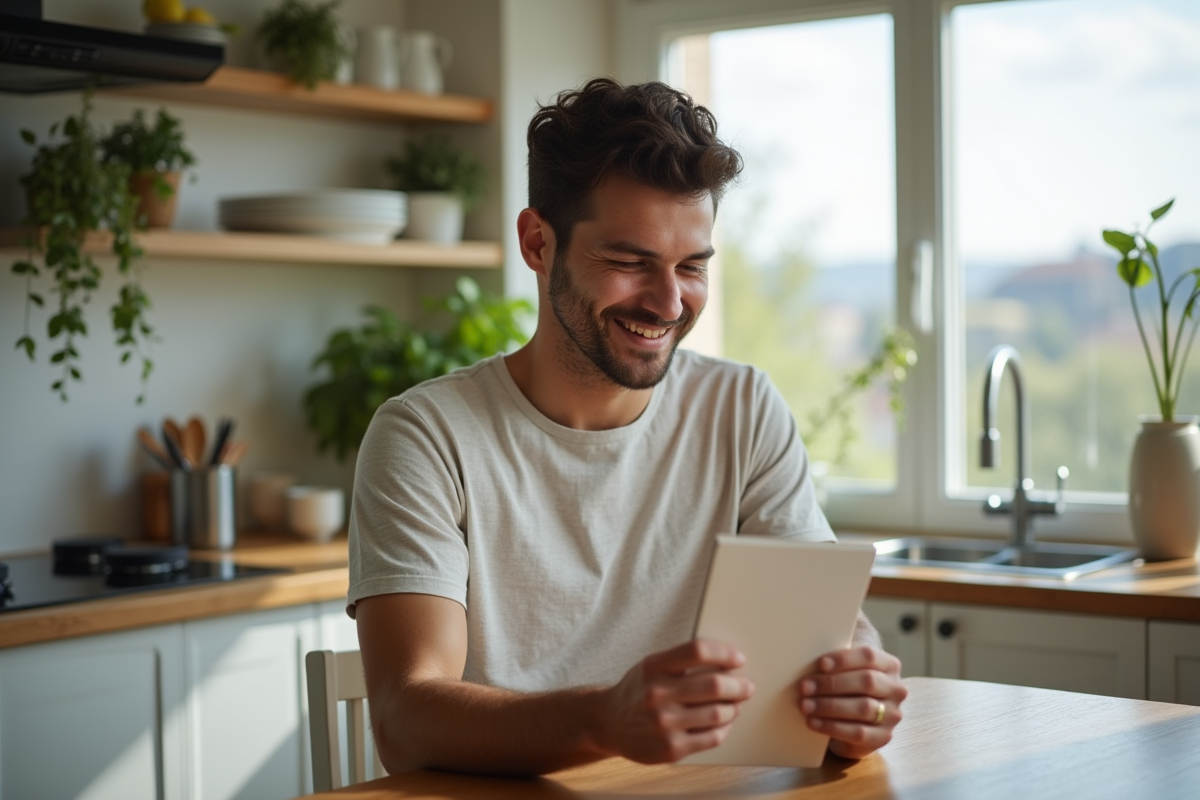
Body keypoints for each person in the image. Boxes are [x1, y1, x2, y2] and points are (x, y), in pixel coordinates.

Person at [348, 77, 907, 777]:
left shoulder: (741, 408)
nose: (669, 302)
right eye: (629, 262)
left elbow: (829, 641)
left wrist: (856, 701)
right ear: (537, 243)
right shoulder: (427, 437)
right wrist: (605, 719)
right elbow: (407, 719)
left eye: (691, 266)